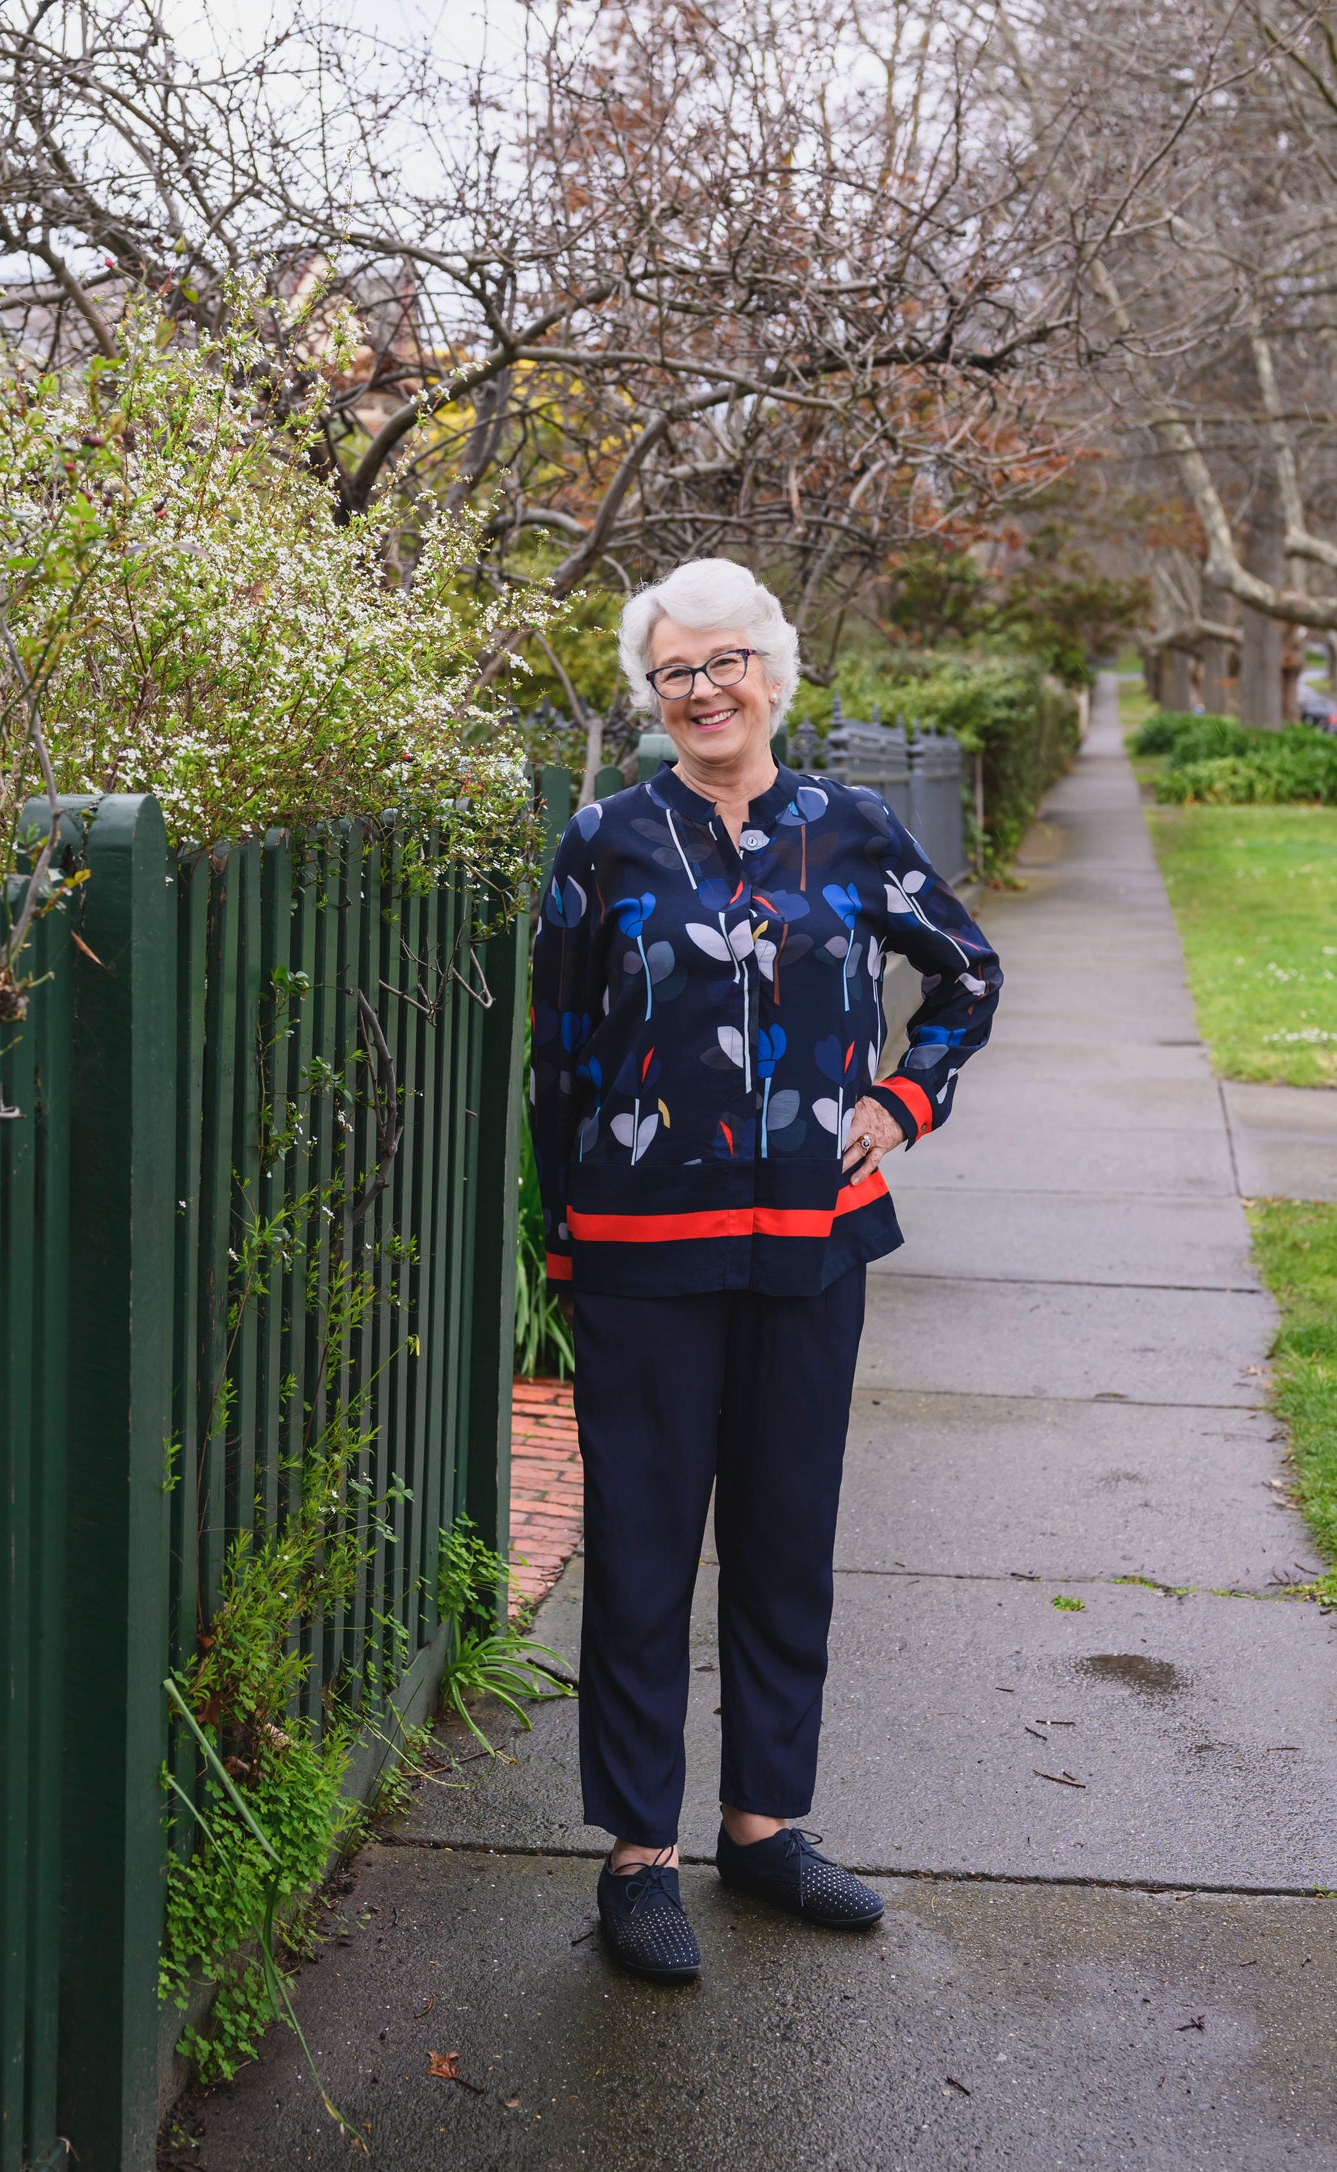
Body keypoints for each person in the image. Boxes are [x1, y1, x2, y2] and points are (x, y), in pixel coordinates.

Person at [529, 558, 1001, 1983]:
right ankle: (638, 1855)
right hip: (637, 1257)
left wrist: (900, 1102)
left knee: (787, 1538)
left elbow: (966, 975)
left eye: (724, 662)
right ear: (650, 696)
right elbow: (557, 1057)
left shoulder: (850, 832)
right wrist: (564, 1238)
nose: (702, 690)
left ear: (773, 673)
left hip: (809, 1242)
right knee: (640, 1550)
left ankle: (762, 1828)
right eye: (673, 672)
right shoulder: (605, 839)